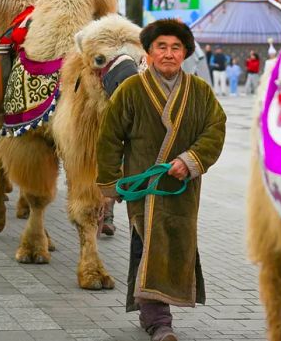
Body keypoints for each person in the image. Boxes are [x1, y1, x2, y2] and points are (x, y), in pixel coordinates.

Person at [96, 18, 227, 341]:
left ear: (185, 53)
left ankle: (147, 310)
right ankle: (159, 321)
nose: (168, 54)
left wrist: (191, 160)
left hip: (183, 189)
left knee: (172, 245)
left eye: (176, 48)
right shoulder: (131, 90)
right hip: (145, 186)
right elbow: (109, 138)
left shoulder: (200, 92)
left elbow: (216, 129)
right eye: (161, 47)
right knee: (149, 242)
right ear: (149, 52)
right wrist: (109, 185)